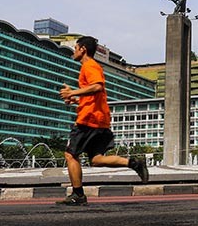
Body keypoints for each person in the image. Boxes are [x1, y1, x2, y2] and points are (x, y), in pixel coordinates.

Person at [57, 35, 149, 206]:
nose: (73, 52)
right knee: (97, 159)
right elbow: (94, 95)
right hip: (100, 119)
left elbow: (98, 86)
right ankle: (134, 163)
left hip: (88, 120)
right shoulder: (90, 67)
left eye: (75, 48)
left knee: (70, 155)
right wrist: (76, 99)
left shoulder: (89, 66)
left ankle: (78, 194)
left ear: (83, 49)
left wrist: (72, 93)